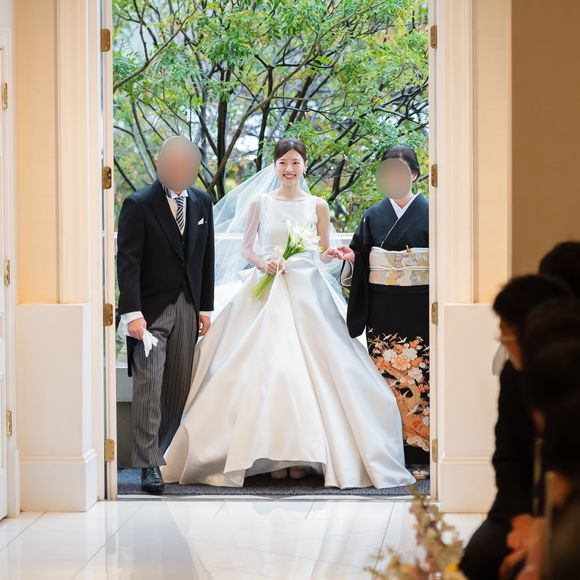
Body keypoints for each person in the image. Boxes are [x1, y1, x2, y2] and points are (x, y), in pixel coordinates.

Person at [161, 137, 415, 490]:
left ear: (304, 165)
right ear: (275, 166)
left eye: (295, 162)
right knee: (268, 371)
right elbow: (247, 248)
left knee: (316, 371)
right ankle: (270, 456)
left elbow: (321, 251)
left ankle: (302, 457)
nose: (289, 169)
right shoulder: (260, 202)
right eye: (283, 163)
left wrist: (335, 253)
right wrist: (263, 263)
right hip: (267, 288)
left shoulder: (318, 205)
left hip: (308, 291)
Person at [117, 136, 215, 494]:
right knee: (149, 383)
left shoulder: (202, 202)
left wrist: (205, 307)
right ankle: (147, 464)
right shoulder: (138, 204)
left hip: (188, 306)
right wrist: (132, 313)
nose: (178, 170)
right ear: (159, 164)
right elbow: (128, 262)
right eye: (171, 163)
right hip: (150, 311)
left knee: (178, 386)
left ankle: (164, 451)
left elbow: (206, 257)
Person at [460, 275, 573, 580]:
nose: (501, 339)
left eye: (506, 333)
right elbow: (507, 455)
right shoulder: (513, 375)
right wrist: (522, 519)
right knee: (479, 557)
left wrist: (538, 536)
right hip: (519, 504)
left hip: (566, 505)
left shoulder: (566, 375)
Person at [332, 145, 430, 468]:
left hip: (419, 307)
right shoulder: (373, 216)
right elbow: (361, 258)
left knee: (420, 377)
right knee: (385, 379)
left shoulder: (433, 212)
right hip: (383, 310)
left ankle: (421, 450)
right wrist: (352, 258)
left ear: (414, 174)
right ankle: (389, 449)